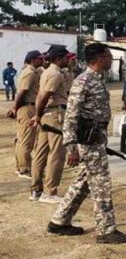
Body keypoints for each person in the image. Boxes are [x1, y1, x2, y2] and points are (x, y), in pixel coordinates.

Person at [47, 42, 126, 244]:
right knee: (101, 183)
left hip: (96, 138)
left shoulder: (98, 80)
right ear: (100, 58)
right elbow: (71, 116)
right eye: (109, 56)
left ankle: (59, 221)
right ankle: (106, 230)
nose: (111, 59)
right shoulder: (82, 81)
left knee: (83, 182)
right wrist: (71, 146)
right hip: (88, 140)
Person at [29, 47, 71, 203]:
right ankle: (50, 192)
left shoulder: (45, 72)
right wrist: (38, 115)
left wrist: (38, 115)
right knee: (57, 154)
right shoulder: (55, 74)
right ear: (59, 59)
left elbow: (40, 95)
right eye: (66, 57)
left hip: (46, 114)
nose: (68, 60)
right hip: (55, 115)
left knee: (40, 153)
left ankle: (36, 190)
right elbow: (45, 95)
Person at [7, 50, 44, 179]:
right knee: (26, 140)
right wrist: (14, 108)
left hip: (27, 106)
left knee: (22, 139)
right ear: (33, 60)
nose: (43, 60)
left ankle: (21, 167)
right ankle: (25, 168)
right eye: (40, 58)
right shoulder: (29, 73)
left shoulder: (31, 71)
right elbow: (22, 92)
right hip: (28, 107)